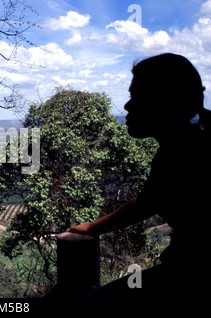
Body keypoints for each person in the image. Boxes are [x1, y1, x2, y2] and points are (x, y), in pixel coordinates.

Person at [68, 53, 211, 298]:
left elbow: (144, 205)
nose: (126, 106)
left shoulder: (182, 154)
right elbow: (145, 204)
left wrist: (91, 228)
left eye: (137, 97)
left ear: (168, 103)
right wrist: (92, 227)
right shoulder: (190, 138)